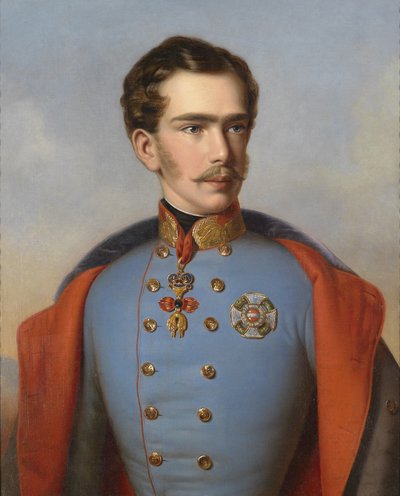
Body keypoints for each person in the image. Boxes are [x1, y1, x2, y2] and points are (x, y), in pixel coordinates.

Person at [14, 36, 398, 496]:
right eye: (194, 128)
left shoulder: (307, 284)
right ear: (146, 147)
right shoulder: (101, 295)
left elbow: (377, 462)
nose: (222, 152)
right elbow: (77, 474)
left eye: (235, 127)